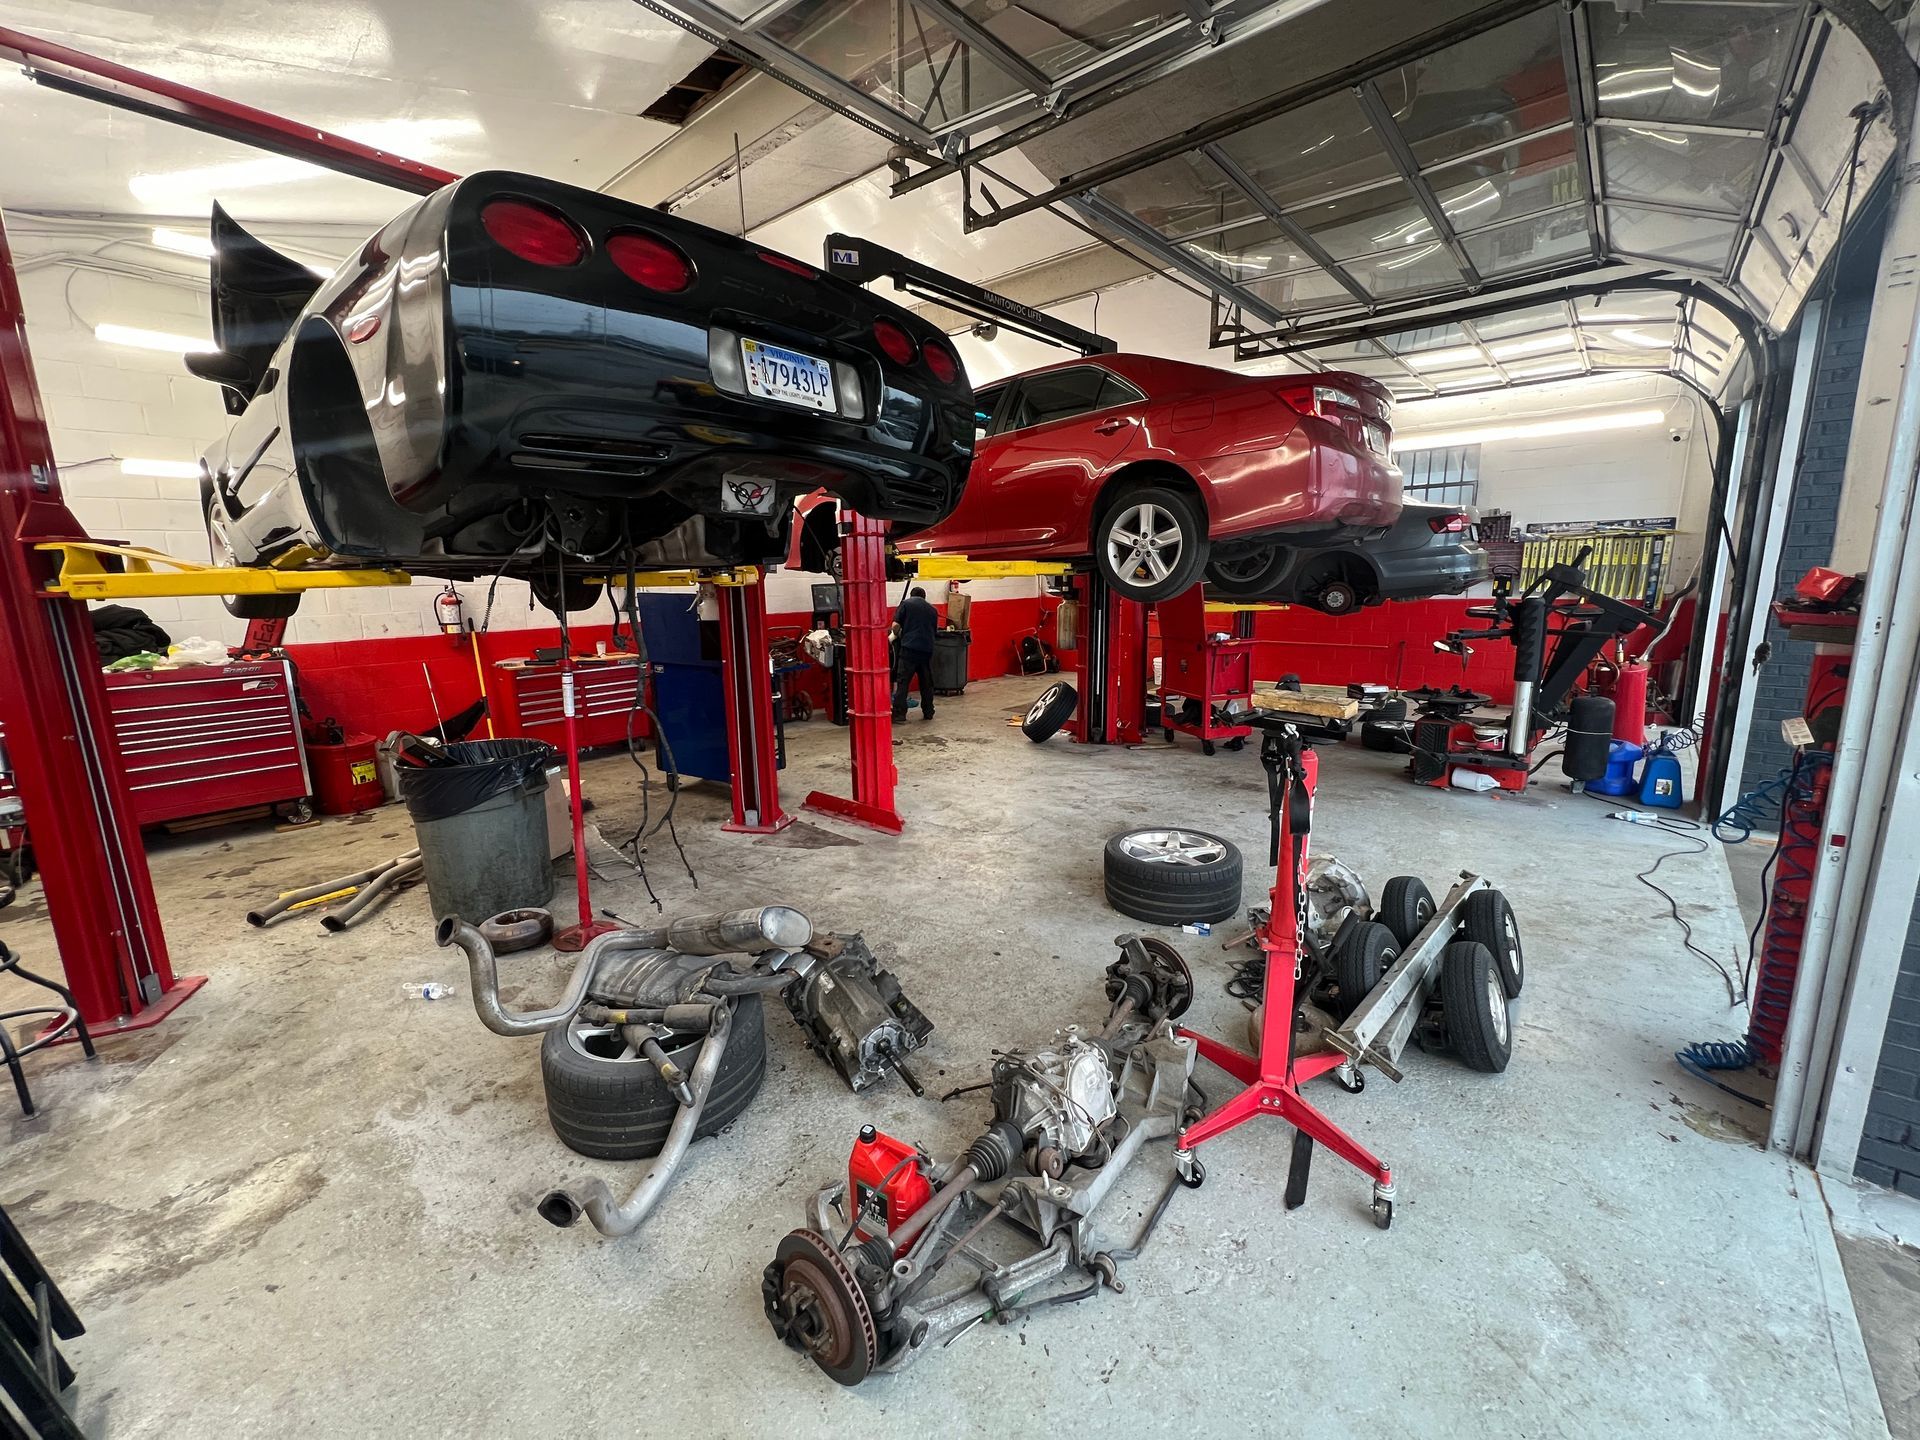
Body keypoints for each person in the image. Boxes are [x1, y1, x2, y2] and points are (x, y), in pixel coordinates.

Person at [890, 586, 939, 722]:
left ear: (911, 595)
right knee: (926, 683)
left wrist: (897, 635)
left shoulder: (906, 604)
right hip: (926, 650)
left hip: (909, 650)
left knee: (903, 682)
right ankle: (928, 712)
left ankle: (899, 714)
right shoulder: (933, 610)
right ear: (924, 597)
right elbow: (934, 631)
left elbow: (895, 626)